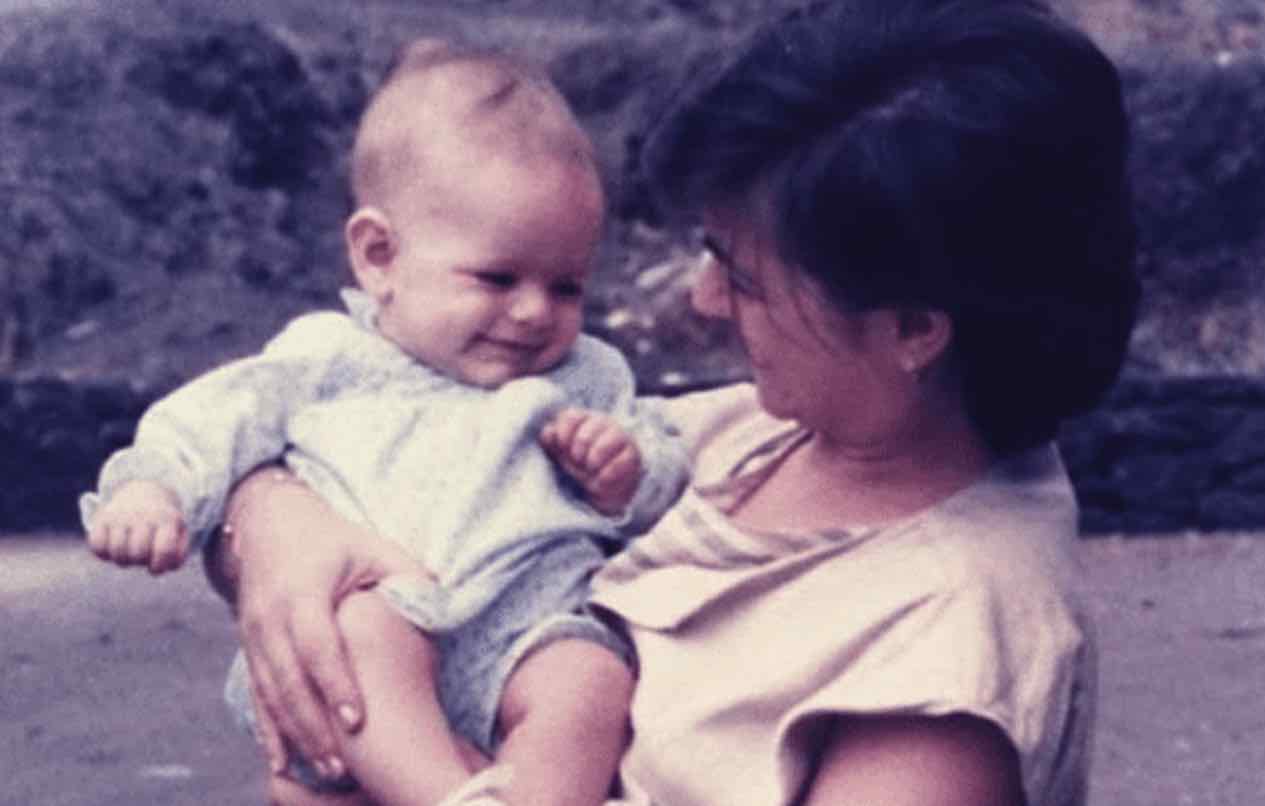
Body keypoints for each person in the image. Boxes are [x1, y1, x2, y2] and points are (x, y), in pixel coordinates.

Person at [206, 0, 1141, 804]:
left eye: (747, 277)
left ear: (913, 328)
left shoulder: (942, 672)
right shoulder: (764, 435)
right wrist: (278, 526)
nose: (702, 298)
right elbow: (393, 461)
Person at [80, 39, 688, 806]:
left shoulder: (588, 375)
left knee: (591, 680)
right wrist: (151, 492)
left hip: (526, 628)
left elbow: (665, 467)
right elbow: (209, 422)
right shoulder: (327, 359)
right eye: (497, 277)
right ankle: (446, 794)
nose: (535, 311)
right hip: (378, 620)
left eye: (567, 287)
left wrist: (625, 471)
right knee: (359, 638)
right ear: (378, 256)